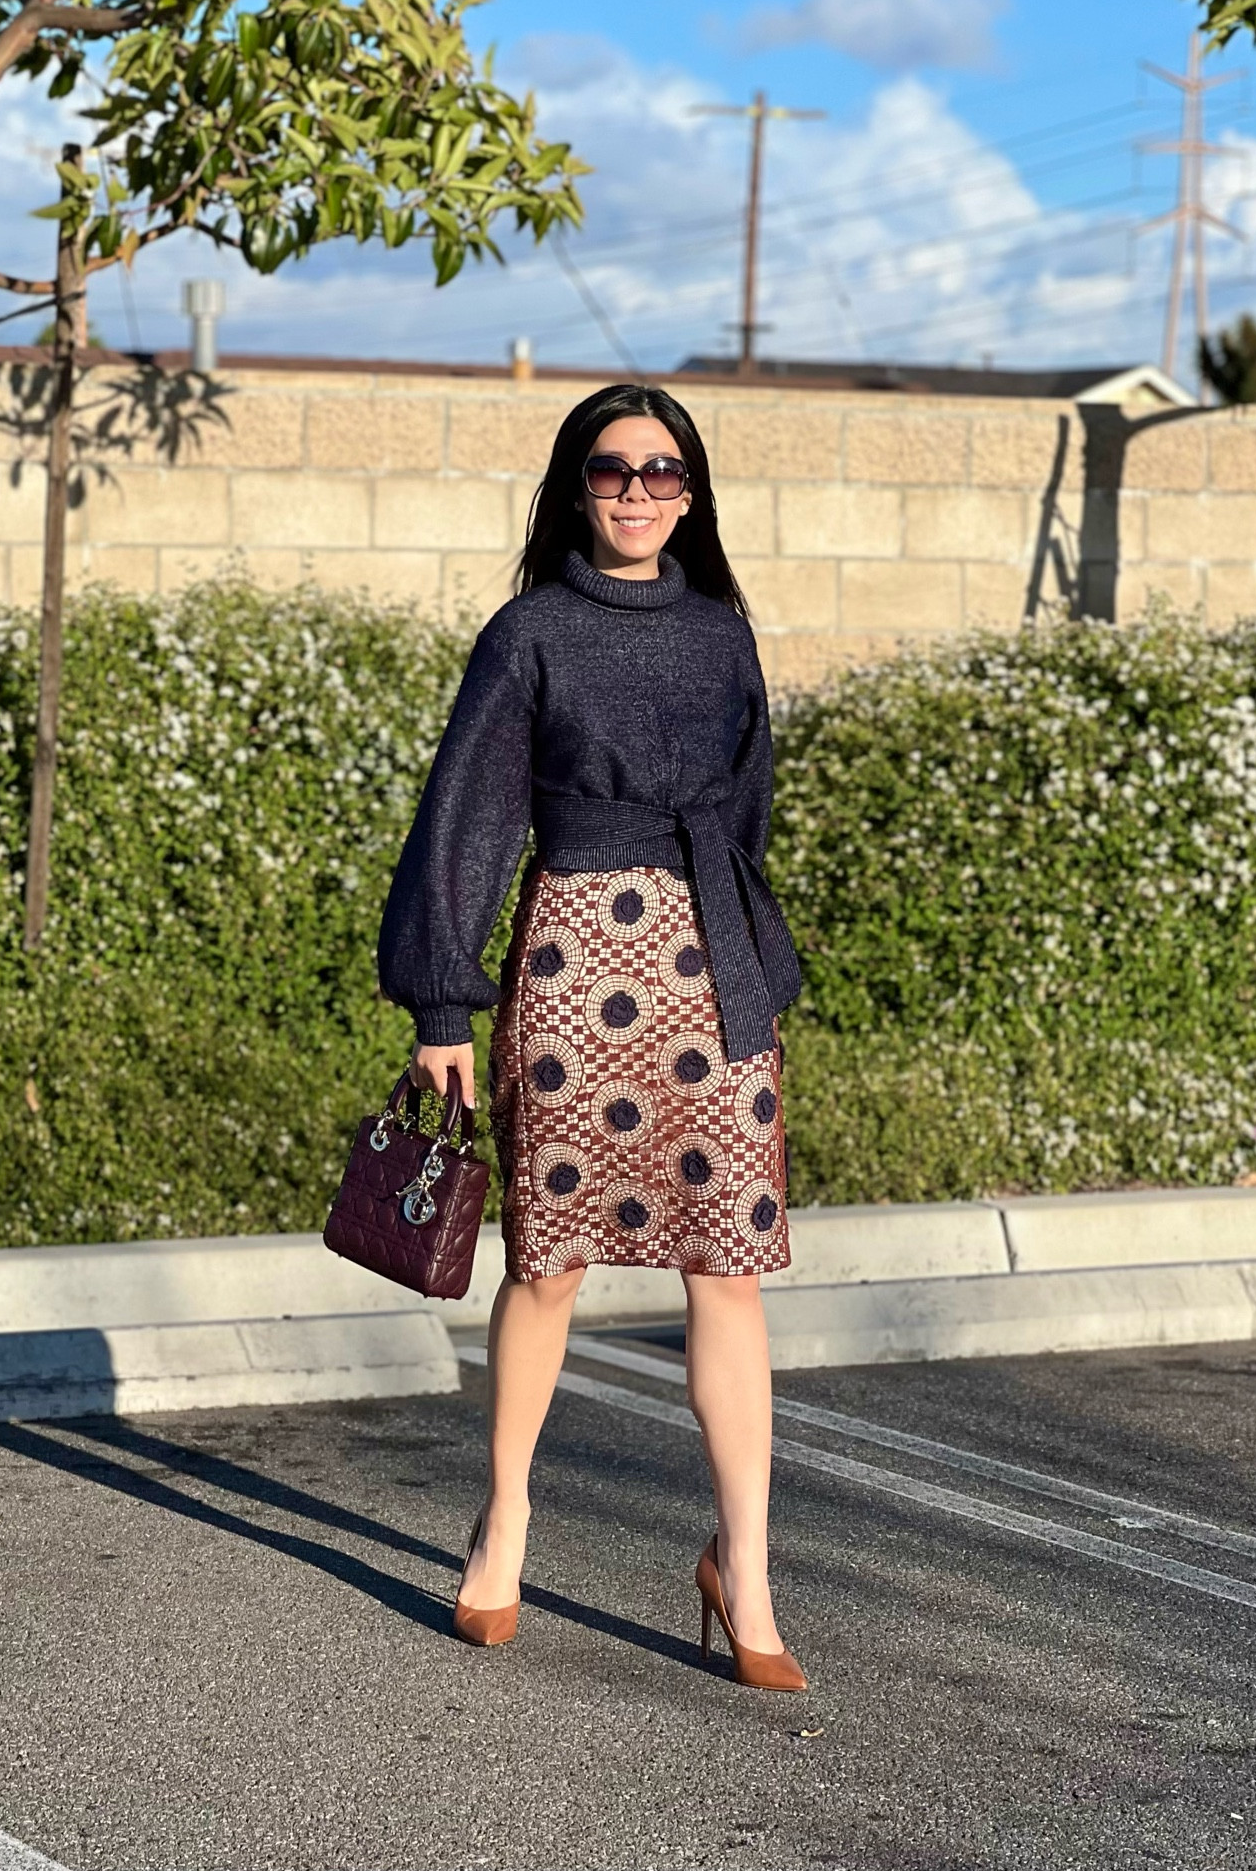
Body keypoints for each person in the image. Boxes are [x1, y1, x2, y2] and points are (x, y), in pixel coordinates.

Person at [376, 383, 807, 1690]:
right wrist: (440, 1001)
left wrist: (730, 955)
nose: (636, 489)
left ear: (692, 491)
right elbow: (468, 813)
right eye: (611, 469)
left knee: (725, 1270)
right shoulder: (530, 633)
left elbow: (748, 815)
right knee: (548, 1265)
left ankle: (746, 1568)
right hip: (568, 963)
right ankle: (504, 1518)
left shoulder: (721, 637)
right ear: (575, 485)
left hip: (710, 973)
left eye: (662, 470)